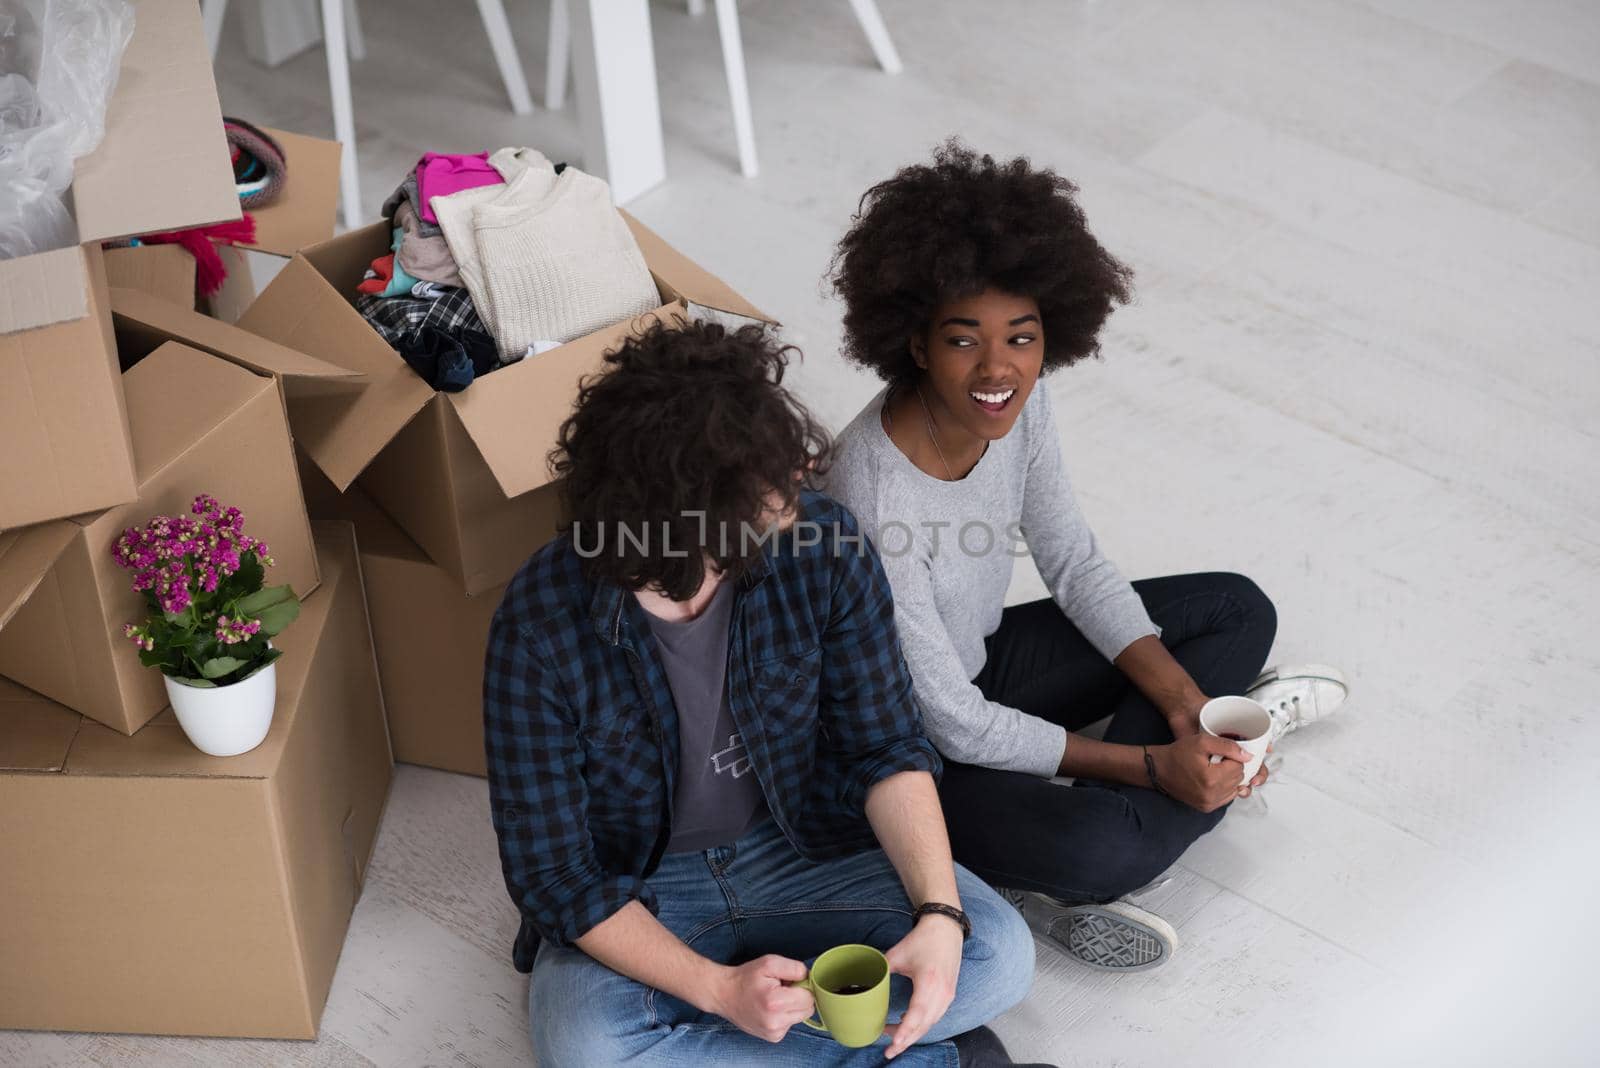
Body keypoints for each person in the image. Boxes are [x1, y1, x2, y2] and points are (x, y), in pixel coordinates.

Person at [822, 141, 1348, 973]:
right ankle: (1163, 801)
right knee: (1110, 849)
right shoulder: (869, 497)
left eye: (1021, 339)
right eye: (965, 342)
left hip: (979, 666)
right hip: (902, 751)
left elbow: (1071, 560)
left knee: (1236, 607)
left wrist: (1183, 712)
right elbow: (949, 722)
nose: (999, 370)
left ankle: (1209, 749)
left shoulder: (1015, 402)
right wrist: (1150, 764)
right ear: (916, 344)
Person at [484, 318, 1049, 1066]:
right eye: (765, 476)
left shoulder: (825, 549)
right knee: (587, 1048)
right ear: (690, 514)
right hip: (646, 892)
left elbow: (884, 746)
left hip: (804, 845)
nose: (800, 474)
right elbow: (554, 877)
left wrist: (941, 916)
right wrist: (718, 991)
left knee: (997, 956)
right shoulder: (539, 624)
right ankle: (925, 1054)